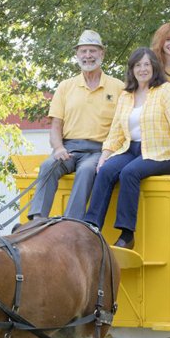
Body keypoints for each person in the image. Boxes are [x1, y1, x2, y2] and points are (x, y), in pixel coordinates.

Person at [84, 47, 170, 250]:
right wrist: (105, 155)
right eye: (138, 65)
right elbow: (117, 130)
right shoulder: (126, 95)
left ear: (154, 67)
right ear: (132, 69)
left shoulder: (165, 90)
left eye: (147, 64)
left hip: (162, 152)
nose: (143, 69)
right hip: (131, 149)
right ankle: (91, 227)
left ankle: (127, 235)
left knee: (129, 173)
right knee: (106, 170)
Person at [25, 30, 125, 222]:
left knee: (87, 170)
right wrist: (59, 148)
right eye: (84, 51)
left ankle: (71, 222)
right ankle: (37, 219)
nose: (88, 56)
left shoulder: (118, 86)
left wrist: (109, 152)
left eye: (93, 51)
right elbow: (55, 126)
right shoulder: (65, 86)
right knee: (48, 165)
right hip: (69, 148)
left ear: (102, 54)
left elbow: (123, 126)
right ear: (77, 55)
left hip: (100, 150)